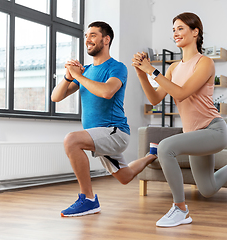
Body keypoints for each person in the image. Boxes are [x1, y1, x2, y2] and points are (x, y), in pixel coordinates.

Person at [132, 12, 227, 227]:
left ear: (195, 32)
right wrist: (142, 74)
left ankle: (180, 209)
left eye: (180, 28)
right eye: (173, 30)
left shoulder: (205, 63)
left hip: (213, 131)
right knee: (208, 189)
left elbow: (181, 94)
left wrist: (151, 70)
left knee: (165, 148)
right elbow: (155, 99)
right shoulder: (173, 68)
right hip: (194, 134)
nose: (176, 33)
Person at [51, 21, 157, 217]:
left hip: (115, 132)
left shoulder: (117, 67)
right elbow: (56, 97)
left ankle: (88, 199)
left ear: (106, 39)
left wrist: (78, 76)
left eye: (93, 35)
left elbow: (107, 92)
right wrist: (68, 77)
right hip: (98, 135)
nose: (87, 40)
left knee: (71, 140)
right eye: (86, 36)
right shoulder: (87, 72)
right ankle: (152, 155)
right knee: (125, 177)